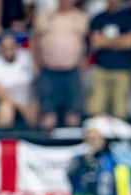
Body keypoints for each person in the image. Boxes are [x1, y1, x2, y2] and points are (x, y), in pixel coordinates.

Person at [31, 0, 88, 129]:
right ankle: (46, 147)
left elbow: (89, 42)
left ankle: (72, 146)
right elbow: (34, 42)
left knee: (73, 116)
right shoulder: (44, 17)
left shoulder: (81, 17)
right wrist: (36, 64)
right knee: (47, 116)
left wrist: (84, 63)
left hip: (72, 71)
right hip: (48, 71)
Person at [87, 0, 131, 120]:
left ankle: (119, 136)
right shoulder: (99, 18)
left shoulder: (128, 19)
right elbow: (95, 41)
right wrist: (120, 41)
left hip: (122, 68)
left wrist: (105, 41)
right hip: (101, 67)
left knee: (120, 109)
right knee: (96, 107)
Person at [0, 35, 37, 129]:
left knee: (35, 108)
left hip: (28, 97)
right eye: (5, 47)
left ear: (16, 46)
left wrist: (33, 101)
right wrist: (19, 105)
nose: (8, 49)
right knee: (5, 109)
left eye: (11, 46)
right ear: (1, 49)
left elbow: (35, 82)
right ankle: (3, 139)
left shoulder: (27, 57)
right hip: (7, 99)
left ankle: (36, 140)